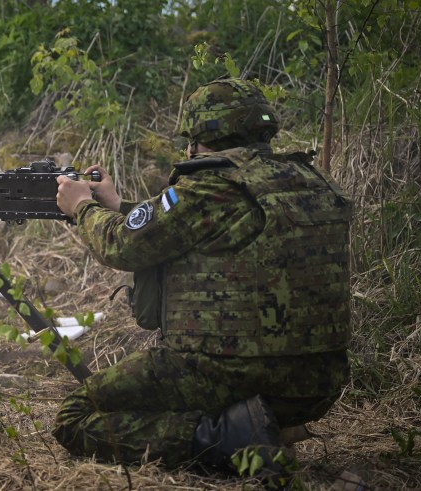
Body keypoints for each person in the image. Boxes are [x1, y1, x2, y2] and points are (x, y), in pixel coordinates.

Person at [52, 78, 353, 483]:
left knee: (74, 417)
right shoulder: (311, 180)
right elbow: (188, 227)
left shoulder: (209, 187)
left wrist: (82, 208)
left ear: (197, 139)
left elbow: (122, 246)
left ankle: (228, 436)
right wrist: (118, 205)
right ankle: (267, 423)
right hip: (318, 383)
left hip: (224, 374)